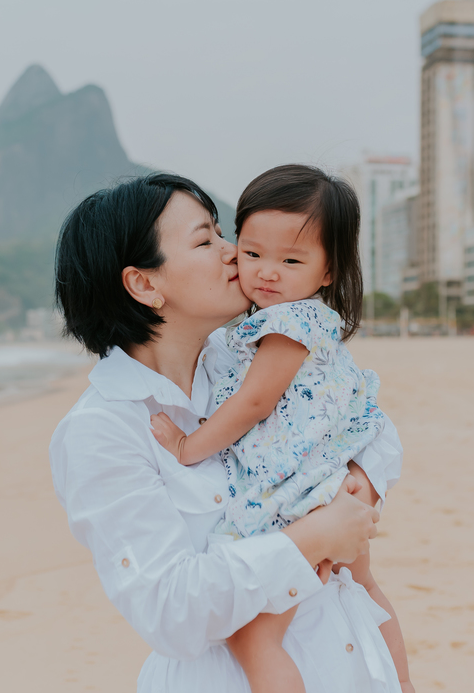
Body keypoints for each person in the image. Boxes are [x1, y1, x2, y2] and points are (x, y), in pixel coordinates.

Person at [50, 172, 404, 692]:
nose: (232, 251)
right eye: (205, 239)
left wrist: (360, 481)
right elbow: (171, 610)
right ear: (144, 284)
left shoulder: (244, 356)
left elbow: (366, 417)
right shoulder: (104, 429)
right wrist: (311, 537)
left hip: (352, 661)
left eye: (222, 232)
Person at [150, 164, 411, 693]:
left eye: (291, 260)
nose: (267, 272)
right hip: (328, 481)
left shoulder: (288, 324)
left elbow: (254, 402)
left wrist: (187, 445)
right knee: (363, 585)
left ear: (329, 270)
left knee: (255, 639)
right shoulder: (301, 325)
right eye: (253, 254)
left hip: (297, 492)